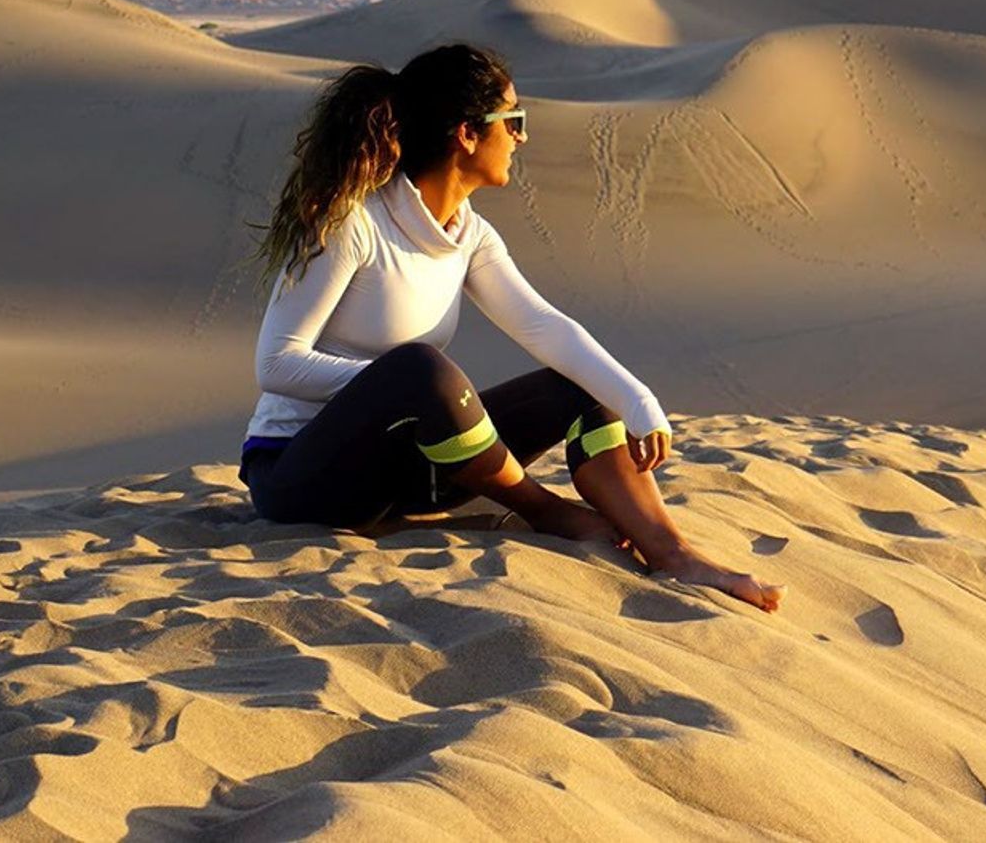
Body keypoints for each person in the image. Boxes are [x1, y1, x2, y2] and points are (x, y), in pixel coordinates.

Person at [241, 43, 782, 612]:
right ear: (466, 134)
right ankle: (542, 508)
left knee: (578, 388)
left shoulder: (468, 235)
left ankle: (672, 552)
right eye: (513, 120)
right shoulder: (355, 222)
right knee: (421, 371)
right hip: (302, 477)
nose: (522, 137)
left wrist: (637, 399)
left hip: (401, 477)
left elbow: (545, 326)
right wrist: (403, 391)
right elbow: (276, 363)